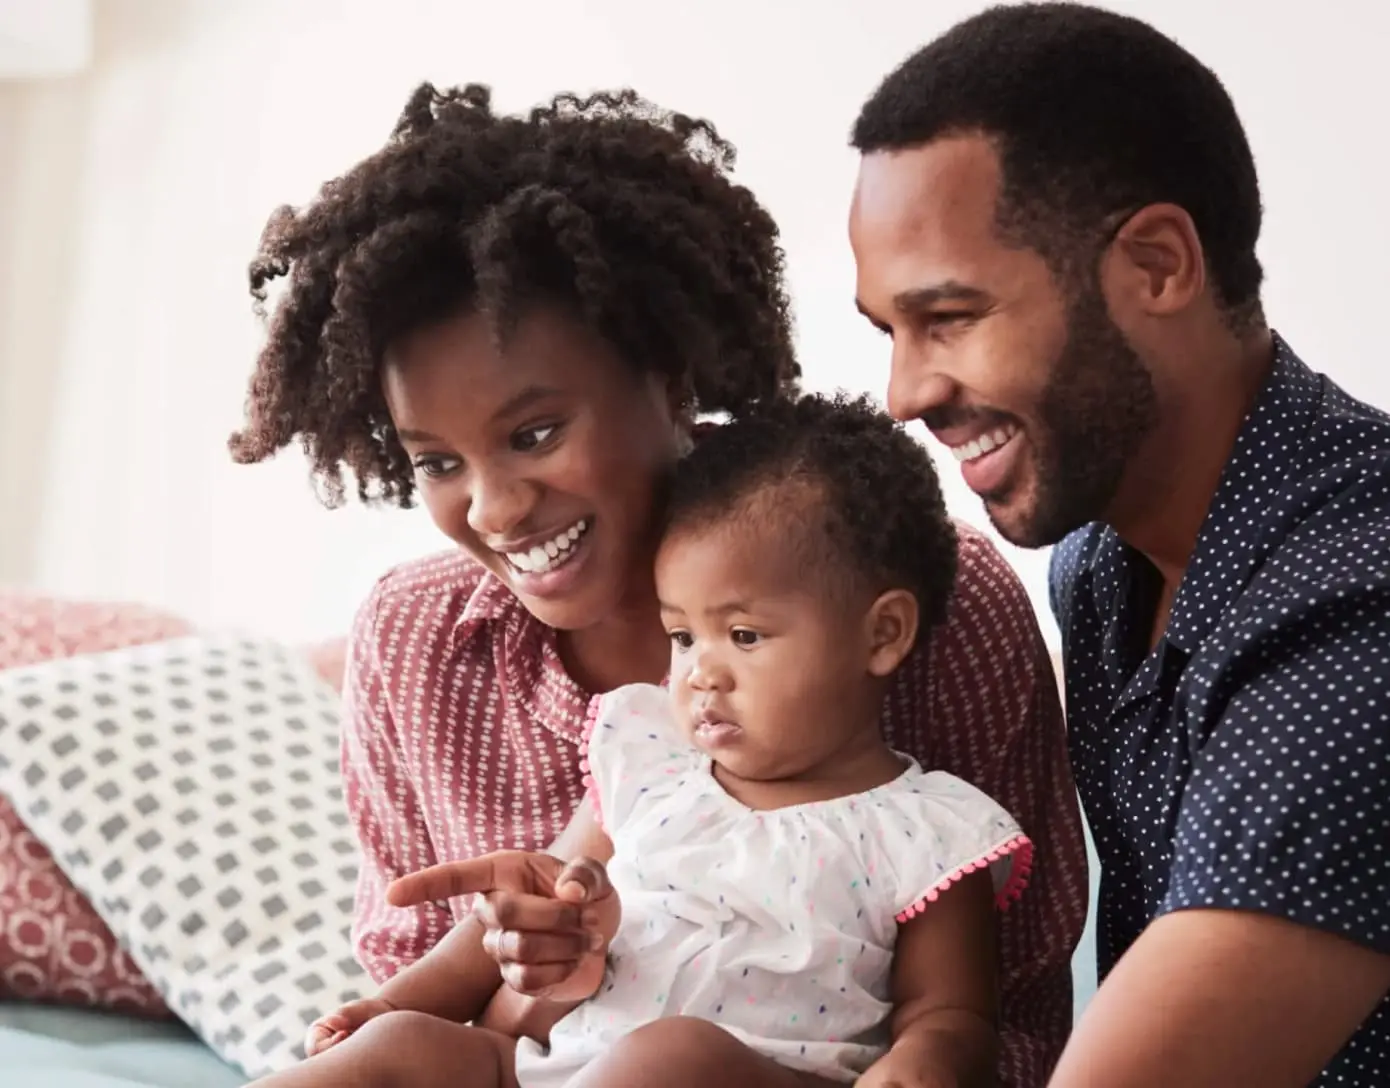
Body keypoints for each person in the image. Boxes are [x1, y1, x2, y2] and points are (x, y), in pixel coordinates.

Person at [230, 81, 1086, 1087]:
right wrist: (537, 963)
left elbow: (1009, 1023)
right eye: (435, 461)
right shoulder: (491, 678)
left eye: (535, 432)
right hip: (544, 1064)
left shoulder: (911, 591)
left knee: (666, 1061)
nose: (495, 507)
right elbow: (444, 989)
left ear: (671, 377)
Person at [847, 4, 1390, 1087]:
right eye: (887, 332)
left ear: (1155, 265)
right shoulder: (1097, 563)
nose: (904, 393)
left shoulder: (1360, 605)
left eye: (947, 316)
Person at [251, 393, 1034, 1088]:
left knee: (672, 1057)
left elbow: (953, 1011)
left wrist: (929, 1056)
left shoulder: (929, 831)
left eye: (744, 634)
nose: (700, 675)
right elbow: (516, 912)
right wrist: (391, 1003)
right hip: (561, 1064)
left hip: (747, 1075)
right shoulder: (651, 758)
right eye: (683, 638)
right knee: (399, 1051)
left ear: (883, 634)